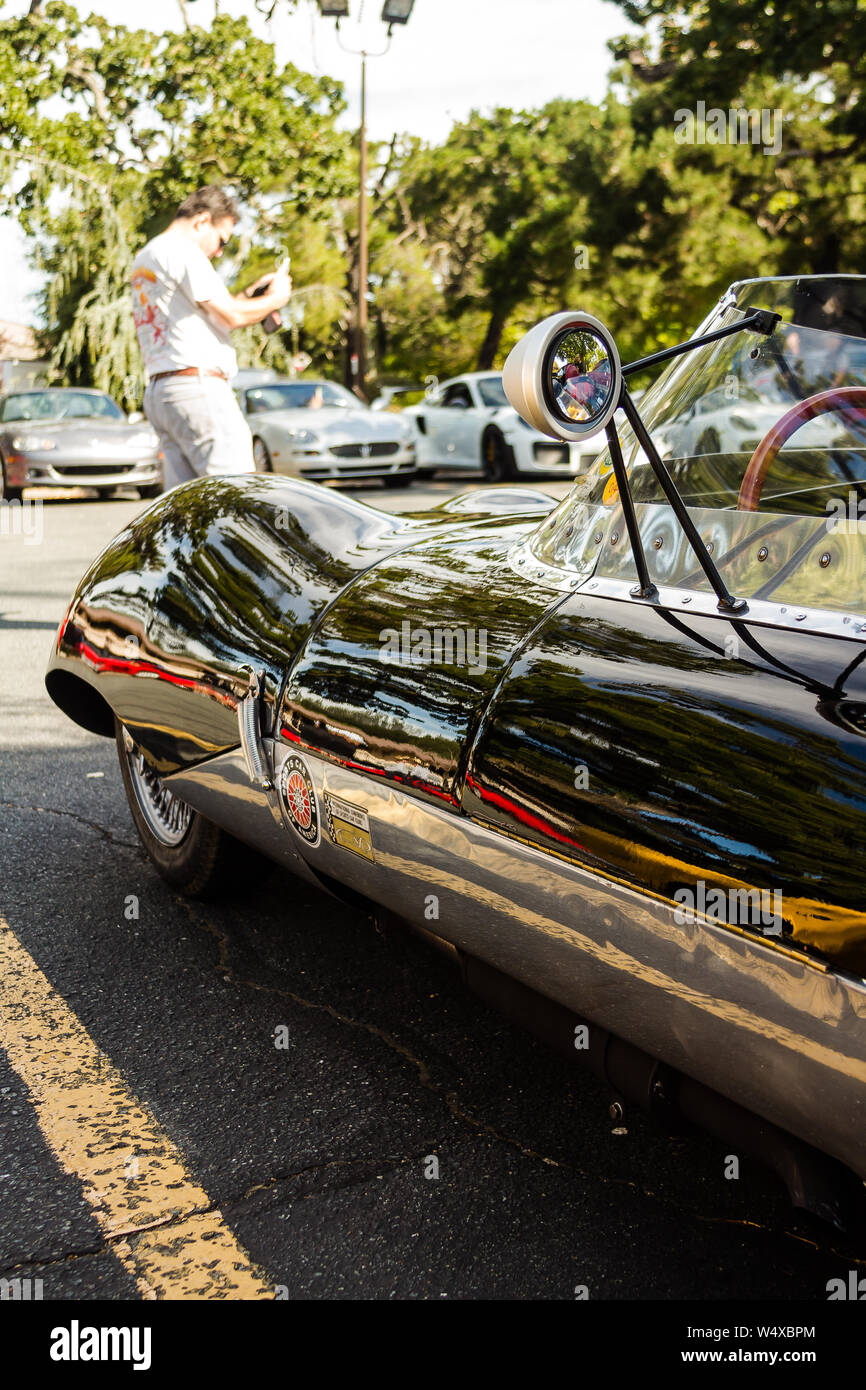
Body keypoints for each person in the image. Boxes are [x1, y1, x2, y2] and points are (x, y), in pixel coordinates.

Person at [130, 185, 292, 490]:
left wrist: (249, 293)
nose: (219, 251)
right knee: (234, 496)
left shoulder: (148, 254)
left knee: (185, 507)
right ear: (202, 220)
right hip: (197, 389)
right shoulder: (182, 250)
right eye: (221, 241)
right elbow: (231, 315)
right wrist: (275, 299)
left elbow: (212, 316)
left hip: (162, 390)